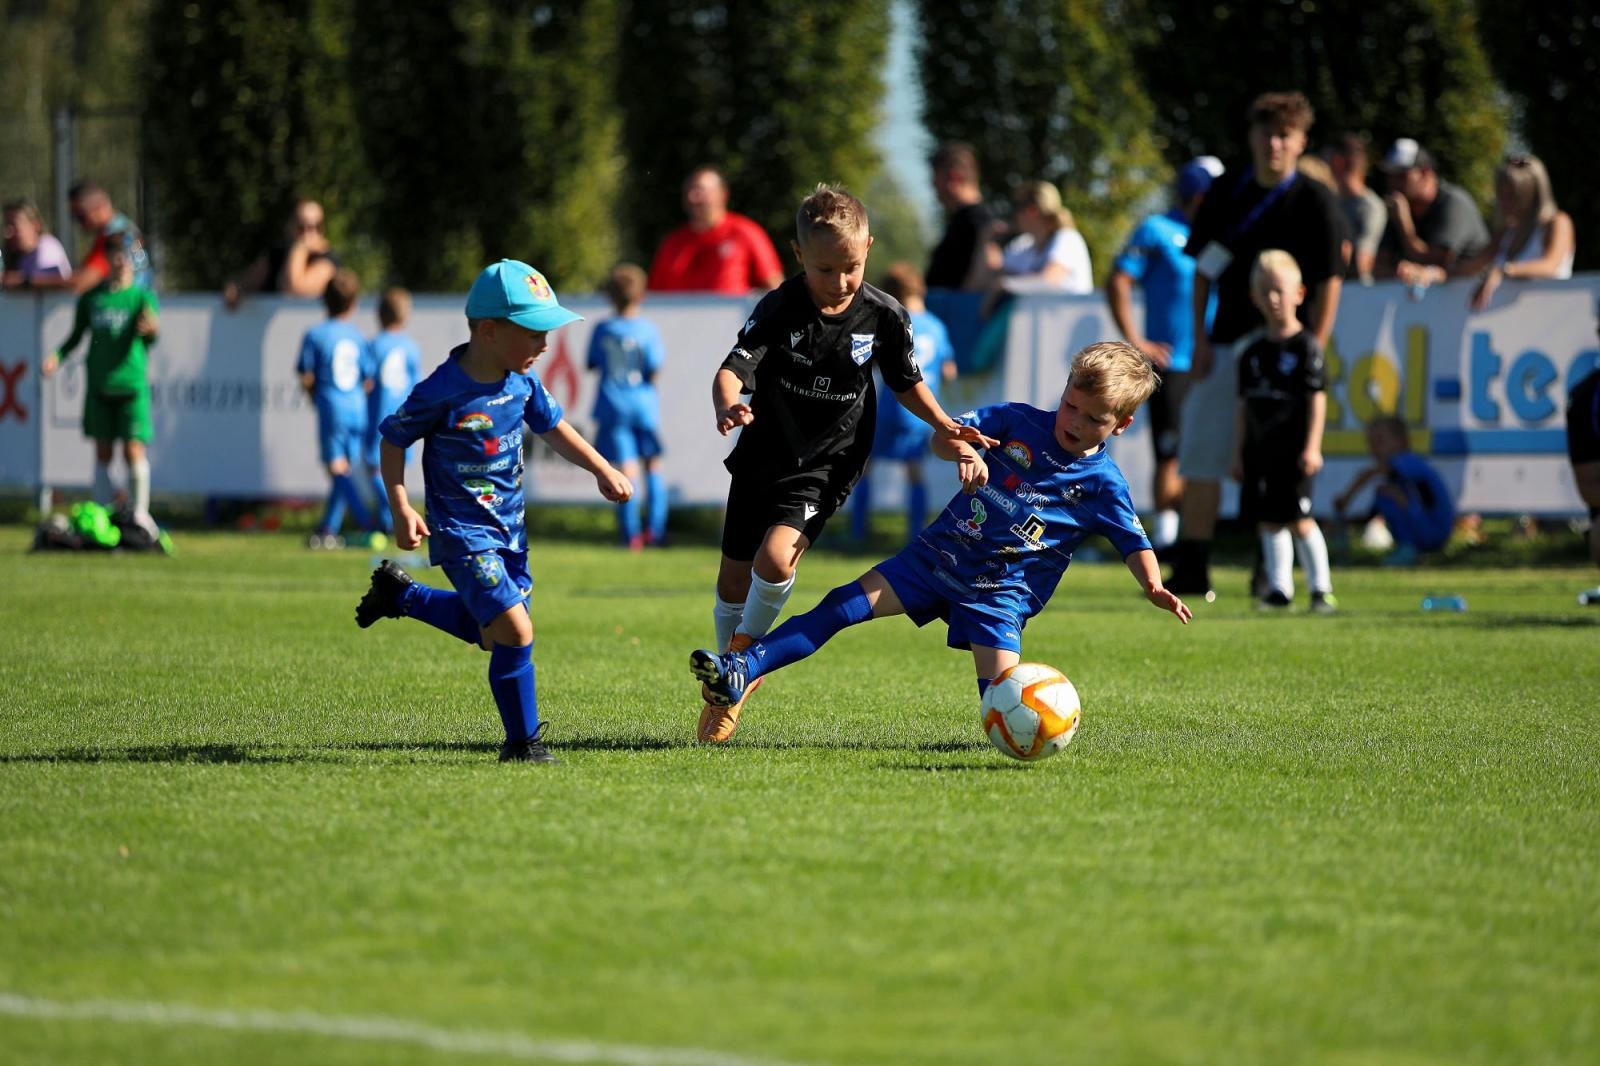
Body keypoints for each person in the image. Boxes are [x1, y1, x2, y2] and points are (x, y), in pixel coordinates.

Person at [690, 341, 1192, 723]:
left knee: (1004, 707)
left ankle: (1031, 733)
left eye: (1093, 418)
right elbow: (942, 440)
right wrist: (964, 449)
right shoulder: (1015, 421)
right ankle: (742, 669)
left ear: (1121, 425)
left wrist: (1152, 584)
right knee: (839, 606)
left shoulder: (1104, 484)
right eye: (1070, 405)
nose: (1075, 421)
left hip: (1000, 594)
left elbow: (1133, 540)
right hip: (935, 559)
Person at [698, 183, 996, 744]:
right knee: (734, 573)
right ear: (799, 255)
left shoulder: (884, 316)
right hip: (764, 453)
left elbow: (907, 384)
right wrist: (727, 403)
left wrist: (944, 423)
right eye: (824, 269)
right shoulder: (779, 307)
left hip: (831, 459)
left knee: (776, 556)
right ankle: (724, 668)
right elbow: (731, 369)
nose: (838, 283)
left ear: (869, 250)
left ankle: (741, 667)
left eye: (851, 268)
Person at [355, 260, 632, 763]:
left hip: (510, 533)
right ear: (489, 331)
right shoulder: (441, 392)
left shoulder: (521, 384)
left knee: (493, 634)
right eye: (533, 333)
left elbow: (555, 428)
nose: (544, 345)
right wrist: (400, 505)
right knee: (516, 631)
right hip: (463, 533)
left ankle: (403, 596)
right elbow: (393, 440)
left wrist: (601, 469)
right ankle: (523, 744)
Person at [1169, 91, 1345, 600]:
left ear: (1300, 142)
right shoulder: (1227, 192)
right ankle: (1194, 567)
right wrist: (1199, 339)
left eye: (1285, 135)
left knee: (1276, 462)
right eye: (1266, 133)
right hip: (1226, 342)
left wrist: (1314, 345)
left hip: (1286, 348)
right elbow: (1203, 270)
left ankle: (1271, 572)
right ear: (1251, 138)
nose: (1275, 144)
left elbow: (1331, 279)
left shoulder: (1316, 200)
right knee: (1201, 451)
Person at [1105, 156, 1223, 551]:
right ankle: (1169, 539)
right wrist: (1138, 340)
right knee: (1170, 454)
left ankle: (1194, 538)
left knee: (1204, 454)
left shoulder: (1219, 235)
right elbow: (1118, 280)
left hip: (1212, 362)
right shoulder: (1157, 229)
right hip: (1173, 363)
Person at [1228, 250, 1336, 612]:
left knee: (1300, 519)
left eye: (1280, 290)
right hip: (1261, 451)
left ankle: (1321, 589)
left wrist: (1312, 447)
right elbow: (1243, 406)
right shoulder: (1252, 353)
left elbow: (1316, 400)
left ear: (1299, 294)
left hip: (1294, 451)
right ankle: (1279, 589)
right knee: (1269, 521)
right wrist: (1238, 452)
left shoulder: (1307, 347)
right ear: (1254, 297)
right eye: (1265, 291)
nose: (1273, 299)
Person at [40, 231, 160, 534]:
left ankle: (140, 515)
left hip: (131, 386)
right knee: (103, 454)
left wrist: (150, 330)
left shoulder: (141, 297)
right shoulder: (93, 299)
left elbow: (152, 334)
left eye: (125, 253)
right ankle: (104, 514)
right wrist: (56, 356)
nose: (120, 259)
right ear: (106, 258)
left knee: (134, 451)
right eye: (114, 253)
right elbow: (76, 336)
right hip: (99, 385)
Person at [850, 261, 957, 545]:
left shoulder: (893, 320)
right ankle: (914, 535)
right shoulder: (937, 325)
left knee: (865, 466)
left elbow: (871, 361)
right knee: (914, 471)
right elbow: (949, 370)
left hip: (893, 405)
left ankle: (857, 533)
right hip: (922, 411)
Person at [1397, 154, 1575, 311]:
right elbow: (1467, 269)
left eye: (1512, 195)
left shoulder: (1557, 222)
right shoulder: (1507, 232)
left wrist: (1503, 270)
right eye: (1501, 195)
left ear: (1532, 194)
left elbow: (1550, 265)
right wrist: (1430, 273)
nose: (1504, 203)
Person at [587, 262, 669, 549]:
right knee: (653, 465)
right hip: (643, 405)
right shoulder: (647, 329)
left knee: (626, 470)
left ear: (610, 296)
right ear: (641, 294)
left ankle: (631, 534)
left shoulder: (603, 329)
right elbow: (654, 367)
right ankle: (656, 532)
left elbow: (592, 363)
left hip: (613, 404)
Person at [296, 269, 372, 548]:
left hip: (333, 406)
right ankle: (328, 529)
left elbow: (306, 374)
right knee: (345, 469)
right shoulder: (357, 336)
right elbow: (368, 378)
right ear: (353, 303)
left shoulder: (316, 334)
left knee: (336, 469)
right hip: (357, 408)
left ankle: (367, 521)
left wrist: (314, 397)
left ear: (323, 300)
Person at [1333, 415, 1454, 566]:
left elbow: (1371, 473)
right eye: (1370, 443)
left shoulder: (1408, 460)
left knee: (1387, 496)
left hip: (1434, 529)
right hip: (1428, 527)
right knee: (1385, 493)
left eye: (1380, 441)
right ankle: (1406, 549)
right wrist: (1343, 521)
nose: (1374, 449)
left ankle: (1408, 549)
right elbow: (1371, 514)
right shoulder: (1400, 475)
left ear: (1402, 441)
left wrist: (1346, 498)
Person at [648, 166, 784, 294]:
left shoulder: (745, 232)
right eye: (688, 191)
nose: (692, 197)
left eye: (699, 190)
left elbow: (774, 285)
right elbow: (653, 296)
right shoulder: (672, 242)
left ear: (722, 194)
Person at [1375, 138, 1490, 283]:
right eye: (1390, 176)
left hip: (1472, 299)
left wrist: (1404, 224)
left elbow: (1437, 261)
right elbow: (1379, 267)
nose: (1394, 183)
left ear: (1425, 173)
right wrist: (1399, 273)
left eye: (1402, 176)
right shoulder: (1401, 208)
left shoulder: (1454, 203)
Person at [361, 287, 423, 536]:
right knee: (395, 472)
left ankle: (394, 517)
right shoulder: (410, 347)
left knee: (375, 469)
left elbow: (367, 381)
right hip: (404, 417)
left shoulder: (375, 345)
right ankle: (387, 519)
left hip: (379, 416)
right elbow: (415, 384)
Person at [224, 199, 342, 308]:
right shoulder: (275, 255)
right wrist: (235, 289)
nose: (309, 233)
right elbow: (245, 284)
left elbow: (292, 290)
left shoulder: (327, 260)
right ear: (288, 226)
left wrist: (299, 249)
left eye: (316, 226)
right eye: (301, 227)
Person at [990, 180, 1093, 301]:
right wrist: (989, 240)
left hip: (1069, 318)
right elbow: (992, 278)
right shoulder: (1022, 245)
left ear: (1032, 210)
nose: (1015, 215)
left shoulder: (1068, 238)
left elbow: (1050, 280)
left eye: (1017, 207)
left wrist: (1005, 285)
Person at [925, 142, 999, 291]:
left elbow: (990, 269)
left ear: (954, 177)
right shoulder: (961, 220)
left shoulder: (979, 223)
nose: (934, 189)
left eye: (935, 181)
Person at [67, 181, 152, 293]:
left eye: (80, 216)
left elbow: (81, 282)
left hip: (124, 307)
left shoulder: (114, 237)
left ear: (100, 207)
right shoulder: (125, 228)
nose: (79, 223)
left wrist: (37, 281)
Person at [1325, 133, 1386, 283]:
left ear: (1338, 162)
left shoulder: (1369, 207)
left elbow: (1362, 263)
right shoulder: (1332, 202)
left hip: (1357, 295)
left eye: (1324, 162)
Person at [2, 198, 73, 291]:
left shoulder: (47, 246)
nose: (7, 233)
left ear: (35, 225)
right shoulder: (21, 255)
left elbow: (49, 284)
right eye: (6, 225)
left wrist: (18, 281)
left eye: (14, 225)